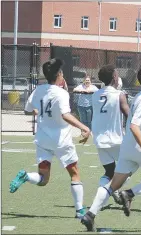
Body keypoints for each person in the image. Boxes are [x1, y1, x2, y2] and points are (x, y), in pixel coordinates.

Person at [80, 67, 141, 231]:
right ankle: (130, 194)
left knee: (113, 185)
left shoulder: (140, 97)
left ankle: (90, 214)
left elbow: (140, 123)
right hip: (140, 148)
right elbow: (134, 126)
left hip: (127, 148)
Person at [10, 58, 91, 219]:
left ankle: (26, 176)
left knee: (43, 179)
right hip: (61, 141)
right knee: (74, 173)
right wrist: (84, 127)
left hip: (43, 140)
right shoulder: (61, 93)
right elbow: (65, 115)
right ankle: (80, 210)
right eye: (61, 73)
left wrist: (40, 113)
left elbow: (28, 109)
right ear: (59, 74)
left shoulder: (38, 90)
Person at [90, 64, 130, 205]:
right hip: (116, 140)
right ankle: (112, 192)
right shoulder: (119, 95)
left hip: (100, 140)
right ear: (114, 77)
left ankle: (102, 197)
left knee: (109, 172)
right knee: (127, 170)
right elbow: (128, 115)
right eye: (117, 73)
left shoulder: (95, 95)